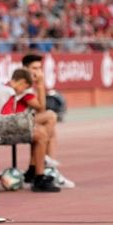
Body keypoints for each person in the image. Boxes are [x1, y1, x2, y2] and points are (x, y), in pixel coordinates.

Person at [0, 69, 60, 192]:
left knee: (44, 123)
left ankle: (36, 167)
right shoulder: (9, 92)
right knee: (41, 134)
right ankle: (39, 176)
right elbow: (9, 120)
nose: (22, 91)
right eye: (24, 88)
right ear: (21, 82)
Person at [21, 54, 75, 188]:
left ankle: (37, 168)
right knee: (50, 117)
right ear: (24, 69)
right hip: (12, 125)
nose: (38, 72)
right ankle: (45, 166)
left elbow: (39, 110)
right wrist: (40, 85)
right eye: (34, 68)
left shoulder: (27, 85)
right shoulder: (21, 84)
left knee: (48, 130)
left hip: (20, 122)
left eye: (39, 68)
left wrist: (39, 85)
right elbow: (41, 109)